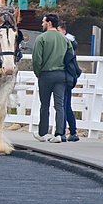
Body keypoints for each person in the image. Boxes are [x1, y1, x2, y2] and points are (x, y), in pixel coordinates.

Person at [31, 13, 70, 143]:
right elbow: (70, 57)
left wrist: (38, 73)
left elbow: (37, 59)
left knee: (45, 105)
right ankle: (59, 133)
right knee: (59, 105)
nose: (42, 24)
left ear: (49, 23)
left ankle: (42, 133)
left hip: (46, 74)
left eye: (43, 22)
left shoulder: (41, 38)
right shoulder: (65, 39)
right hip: (61, 75)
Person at [58, 21, 80, 141]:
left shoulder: (67, 44)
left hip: (65, 77)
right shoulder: (71, 44)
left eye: (59, 31)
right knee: (66, 105)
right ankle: (73, 131)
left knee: (63, 105)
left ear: (64, 31)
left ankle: (62, 132)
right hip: (69, 77)